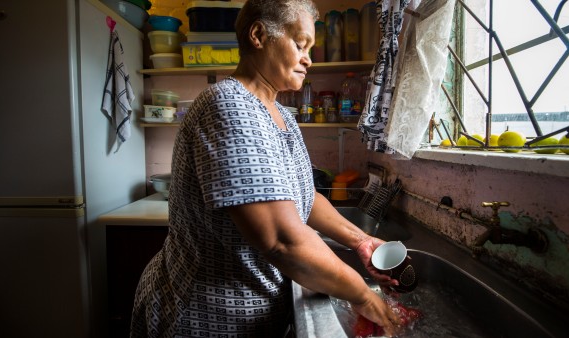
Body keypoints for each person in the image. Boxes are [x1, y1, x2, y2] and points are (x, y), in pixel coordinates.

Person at [130, 0, 401, 336]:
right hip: (206, 317)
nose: (308, 59)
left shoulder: (282, 115)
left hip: (253, 316)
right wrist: (363, 296)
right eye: (300, 44)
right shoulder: (229, 105)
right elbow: (282, 240)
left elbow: (305, 196)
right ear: (258, 35)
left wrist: (360, 240)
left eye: (310, 49)